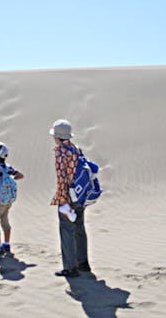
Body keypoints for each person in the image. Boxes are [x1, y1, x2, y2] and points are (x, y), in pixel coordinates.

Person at [50, 119, 91, 278]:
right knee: (80, 228)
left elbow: (62, 177)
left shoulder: (61, 152)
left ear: (58, 137)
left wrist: (62, 199)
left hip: (68, 196)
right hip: (80, 195)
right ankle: (83, 264)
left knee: (67, 230)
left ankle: (70, 268)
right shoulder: (76, 149)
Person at [0, 142, 24, 255]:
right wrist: (9, 181)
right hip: (8, 200)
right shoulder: (8, 168)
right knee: (5, 220)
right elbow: (20, 175)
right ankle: (6, 245)